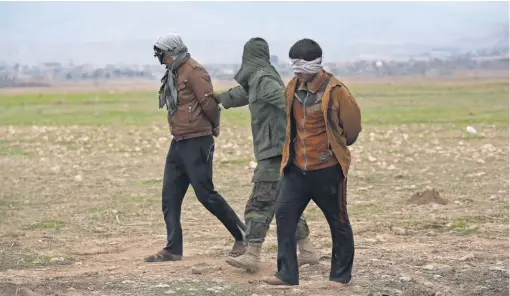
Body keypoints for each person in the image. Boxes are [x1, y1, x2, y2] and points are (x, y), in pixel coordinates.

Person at [210, 37, 319, 273]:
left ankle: (252, 254)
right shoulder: (259, 78)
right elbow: (245, 94)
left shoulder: (263, 79)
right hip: (279, 151)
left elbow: (286, 100)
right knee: (284, 203)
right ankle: (308, 251)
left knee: (258, 203)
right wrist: (220, 98)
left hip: (274, 152)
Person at [262, 38, 362, 286]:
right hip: (296, 169)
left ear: (315, 63)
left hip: (327, 170)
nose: (296, 69)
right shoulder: (292, 87)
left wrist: (333, 149)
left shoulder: (337, 92)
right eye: (293, 64)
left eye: (300, 64)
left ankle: (340, 276)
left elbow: (352, 129)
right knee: (284, 215)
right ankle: (286, 274)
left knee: (338, 221)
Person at [144, 33, 247, 263]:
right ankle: (173, 249)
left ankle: (242, 236)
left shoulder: (194, 71)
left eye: (163, 55)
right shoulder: (174, 72)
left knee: (206, 194)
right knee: (169, 197)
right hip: (178, 141)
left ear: (173, 52)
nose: (161, 60)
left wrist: (214, 127)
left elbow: (209, 104)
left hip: (197, 141)